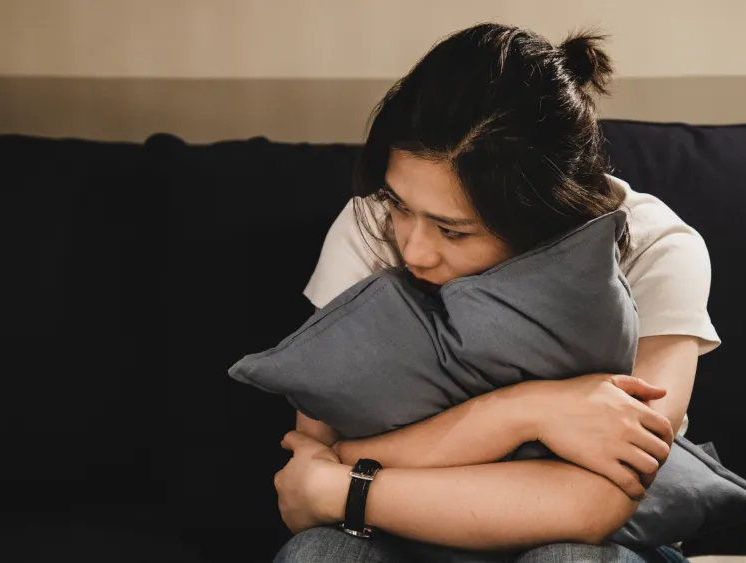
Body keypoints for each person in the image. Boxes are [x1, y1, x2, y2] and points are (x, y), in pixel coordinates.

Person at [272, 23, 719, 563]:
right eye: (400, 205)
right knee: (320, 555)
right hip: (394, 535)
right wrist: (529, 412)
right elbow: (303, 482)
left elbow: (593, 504)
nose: (414, 250)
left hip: (588, 541)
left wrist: (348, 482)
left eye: (453, 231)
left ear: (545, 213)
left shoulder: (654, 247)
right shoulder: (370, 224)